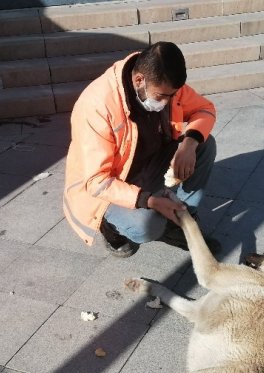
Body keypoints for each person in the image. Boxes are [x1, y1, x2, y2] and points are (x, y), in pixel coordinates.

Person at [63, 41, 219, 257]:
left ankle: (182, 219)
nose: (169, 101)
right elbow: (97, 181)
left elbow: (205, 108)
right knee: (147, 226)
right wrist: (149, 200)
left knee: (205, 143)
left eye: (173, 95)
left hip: (149, 165)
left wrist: (189, 144)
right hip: (107, 186)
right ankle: (110, 227)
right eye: (162, 96)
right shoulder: (97, 105)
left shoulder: (165, 84)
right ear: (139, 81)